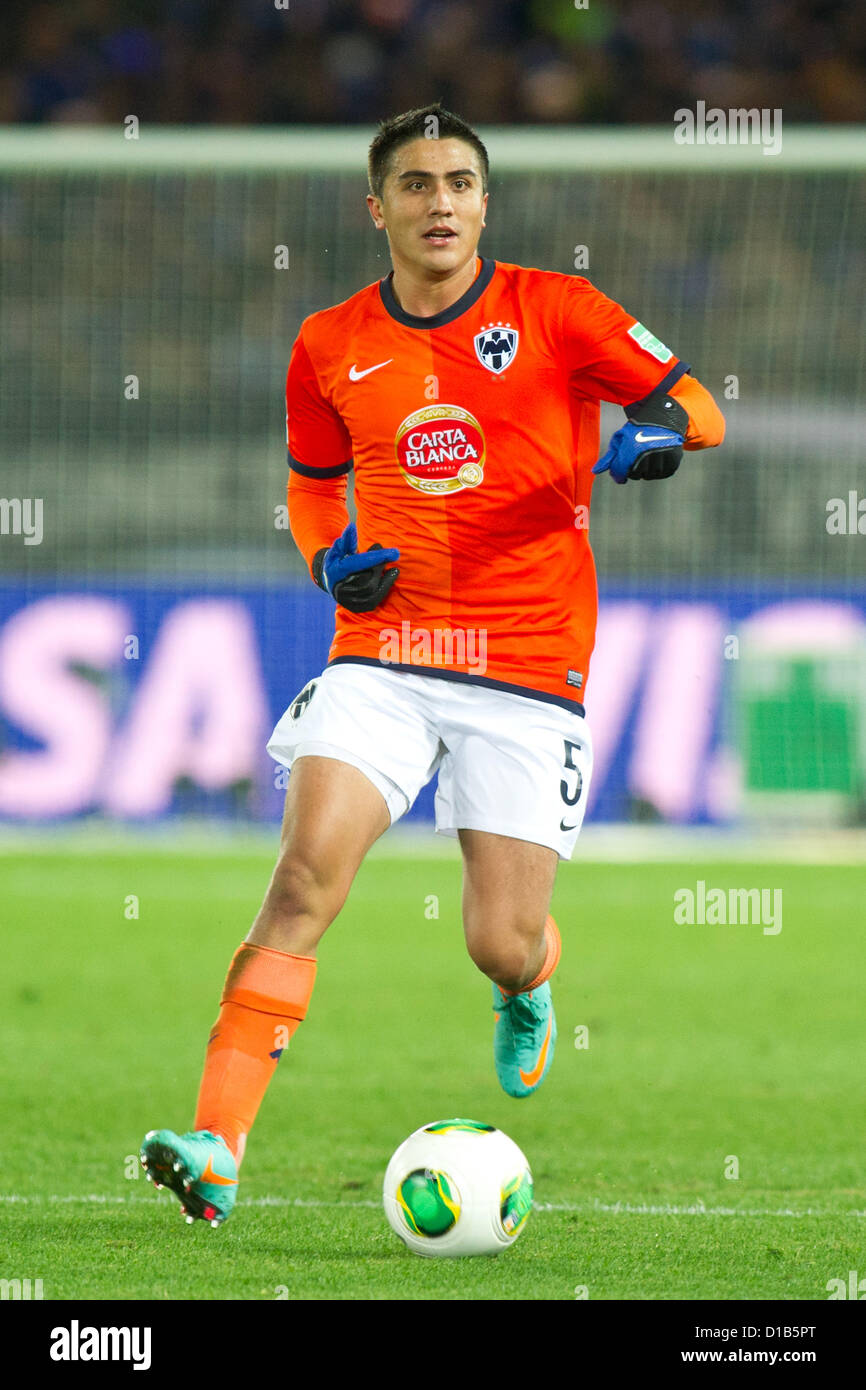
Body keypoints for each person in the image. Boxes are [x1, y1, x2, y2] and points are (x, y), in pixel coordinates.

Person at [141, 103, 725, 1226]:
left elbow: (694, 400)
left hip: (528, 662)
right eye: (415, 184)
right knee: (305, 875)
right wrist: (327, 563)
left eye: (458, 181)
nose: (439, 201)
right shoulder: (327, 342)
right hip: (386, 653)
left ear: (484, 201)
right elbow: (312, 483)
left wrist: (659, 435)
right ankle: (215, 1147)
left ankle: (529, 983)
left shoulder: (556, 310)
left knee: (496, 939)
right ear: (379, 209)